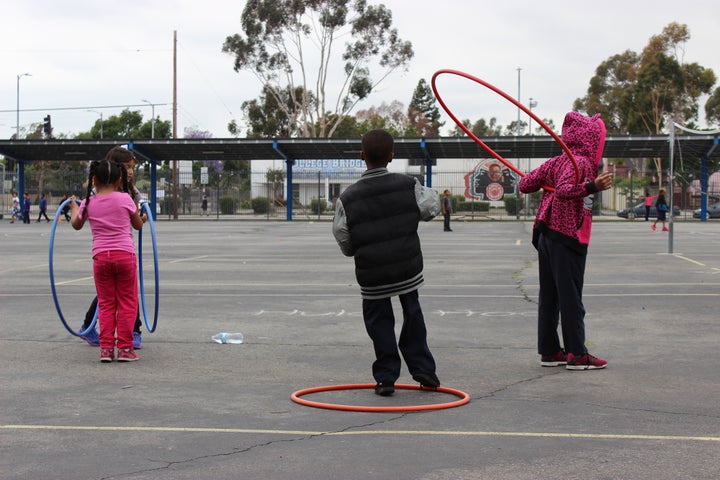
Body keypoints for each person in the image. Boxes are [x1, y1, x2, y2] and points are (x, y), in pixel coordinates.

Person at [332, 129, 441, 396]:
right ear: (392, 157)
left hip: (372, 275)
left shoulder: (347, 197)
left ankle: (386, 377)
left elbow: (341, 233)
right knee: (412, 314)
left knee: (379, 322)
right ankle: (423, 371)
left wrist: (354, 251)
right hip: (407, 268)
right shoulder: (408, 184)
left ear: (361, 156)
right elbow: (431, 208)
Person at [519, 112, 612, 371]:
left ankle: (549, 351)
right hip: (566, 235)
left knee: (549, 295)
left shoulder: (558, 161)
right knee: (570, 296)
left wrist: (544, 182)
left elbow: (525, 184)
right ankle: (577, 354)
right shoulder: (579, 162)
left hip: (546, 233)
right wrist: (592, 186)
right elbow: (563, 192)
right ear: (592, 140)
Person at [70, 159, 144, 362]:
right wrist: (142, 217)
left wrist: (73, 207)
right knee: (128, 303)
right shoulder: (125, 200)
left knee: (106, 303)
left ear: (94, 180)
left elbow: (76, 225)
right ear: (120, 179)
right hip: (124, 256)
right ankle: (126, 349)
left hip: (101, 258)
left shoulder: (88, 203)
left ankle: (106, 349)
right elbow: (137, 225)